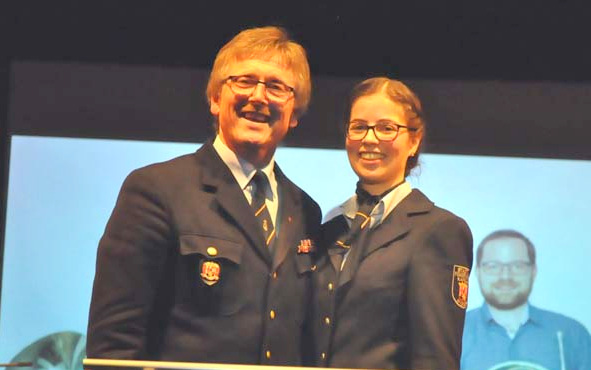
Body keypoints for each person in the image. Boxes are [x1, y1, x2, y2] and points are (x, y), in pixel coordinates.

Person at [86, 26, 321, 365]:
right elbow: (114, 347)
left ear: (294, 113)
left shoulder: (306, 211)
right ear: (215, 98)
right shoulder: (156, 190)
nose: (258, 96)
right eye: (243, 81)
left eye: (276, 87)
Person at [308, 77, 473, 369]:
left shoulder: (438, 230)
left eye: (386, 128)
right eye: (359, 127)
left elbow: (435, 358)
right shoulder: (330, 226)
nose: (369, 139)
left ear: (414, 141)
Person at [461, 230, 591, 370]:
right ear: (477, 272)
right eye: (493, 266)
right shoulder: (456, 333)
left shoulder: (572, 334)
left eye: (517, 266)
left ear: (533, 271)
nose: (505, 276)